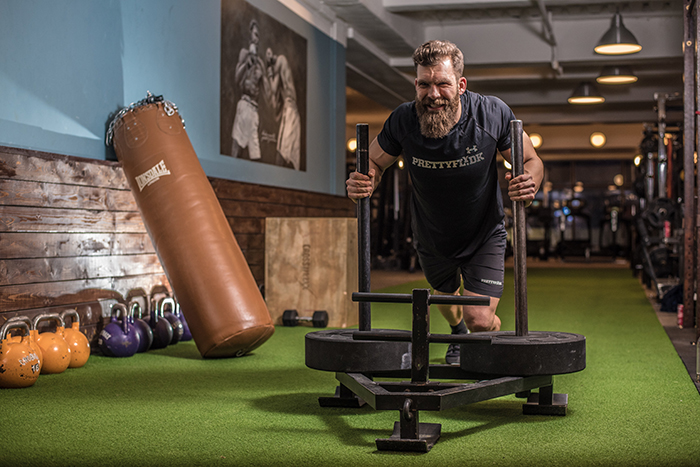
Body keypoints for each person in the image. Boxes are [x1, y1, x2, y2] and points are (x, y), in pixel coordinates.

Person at [346, 40, 544, 364]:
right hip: (432, 233)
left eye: (442, 84)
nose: (433, 94)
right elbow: (375, 163)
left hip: (484, 232)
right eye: (425, 84)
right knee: (446, 302)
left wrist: (530, 180)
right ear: (416, 84)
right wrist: (362, 179)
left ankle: (487, 331)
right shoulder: (403, 120)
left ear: (461, 85)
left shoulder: (492, 114)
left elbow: (533, 160)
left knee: (479, 319)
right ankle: (458, 334)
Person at [231, 19, 268, 160]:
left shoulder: (260, 63)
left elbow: (266, 93)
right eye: (254, 34)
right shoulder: (244, 54)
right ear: (249, 36)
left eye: (258, 35)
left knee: (255, 156)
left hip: (254, 111)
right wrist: (247, 64)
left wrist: (263, 75)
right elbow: (237, 78)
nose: (256, 38)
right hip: (244, 106)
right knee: (236, 149)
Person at [265, 47, 301, 170]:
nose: (269, 56)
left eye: (269, 54)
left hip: (291, 110)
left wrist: (269, 72)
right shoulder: (281, 68)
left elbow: (273, 89)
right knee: (285, 149)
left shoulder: (280, 60)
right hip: (290, 109)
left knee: (284, 149)